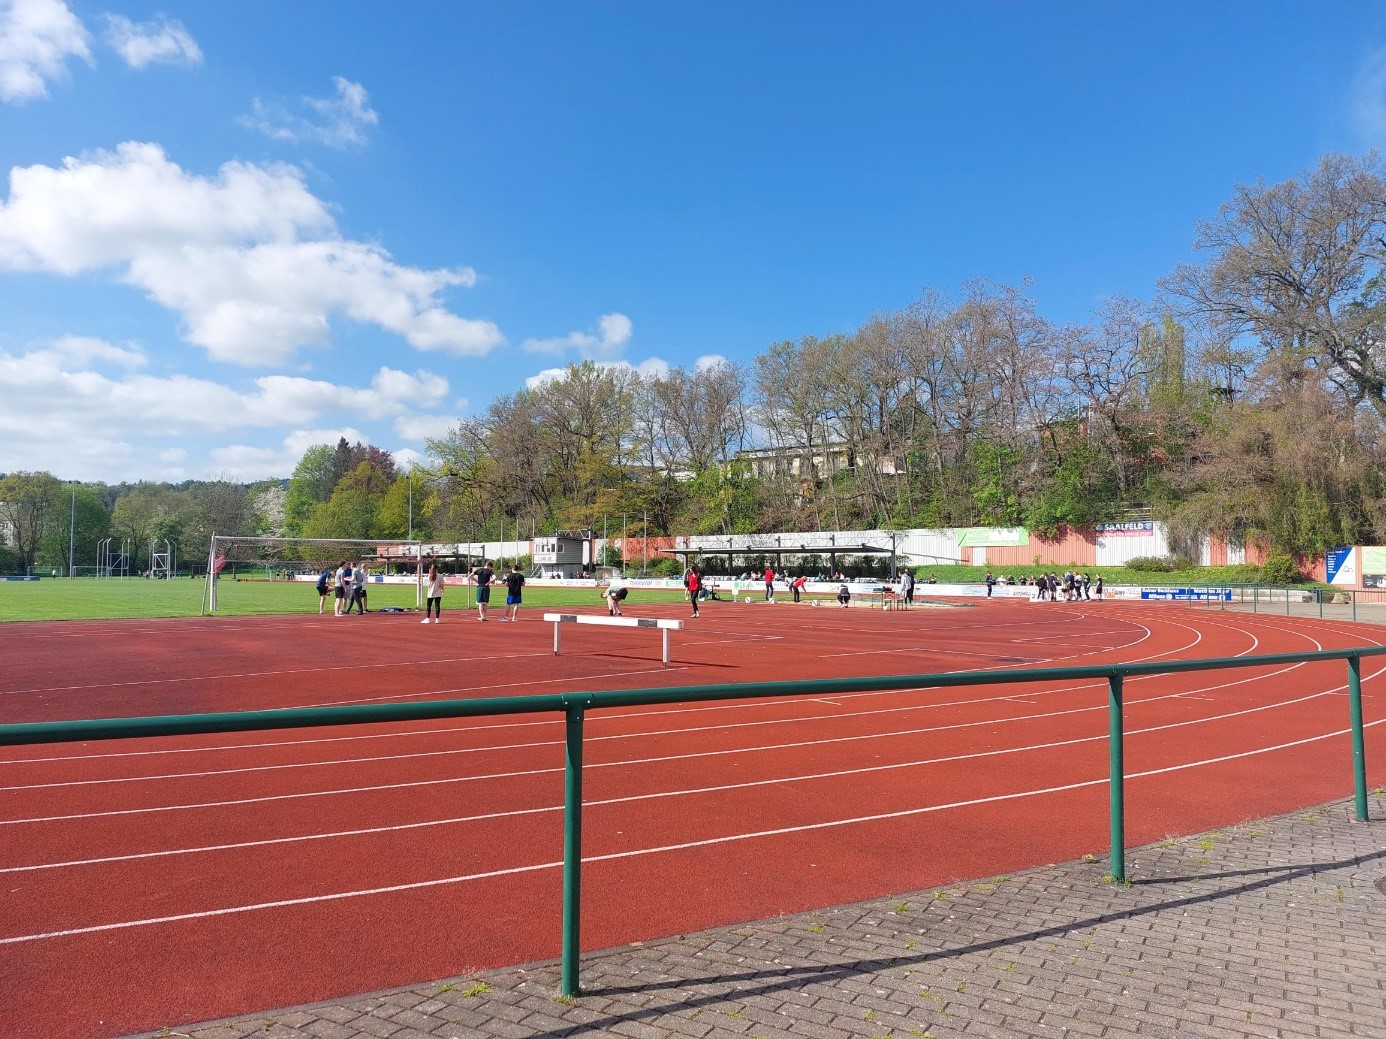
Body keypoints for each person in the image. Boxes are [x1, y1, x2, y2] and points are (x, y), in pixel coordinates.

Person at [423, 558, 443, 623]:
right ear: (437, 569)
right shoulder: (440, 576)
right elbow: (441, 585)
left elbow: (428, 585)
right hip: (438, 593)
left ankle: (427, 619)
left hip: (430, 593)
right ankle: (437, 619)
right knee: (437, 606)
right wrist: (442, 590)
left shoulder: (429, 576)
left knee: (429, 606)